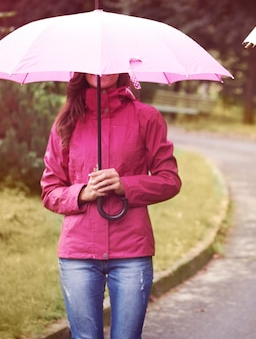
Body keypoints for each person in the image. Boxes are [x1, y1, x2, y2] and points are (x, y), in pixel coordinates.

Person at [41, 72, 182, 339]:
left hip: (131, 251)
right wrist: (83, 192)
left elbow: (170, 180)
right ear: (80, 70)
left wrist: (125, 185)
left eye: (109, 63)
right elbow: (49, 190)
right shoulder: (65, 123)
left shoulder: (146, 118)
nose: (101, 70)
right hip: (78, 254)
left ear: (122, 69)